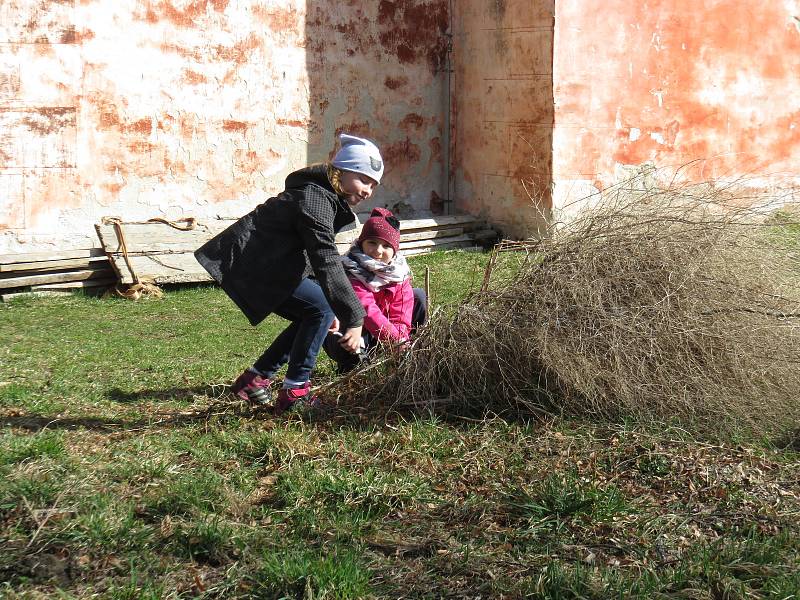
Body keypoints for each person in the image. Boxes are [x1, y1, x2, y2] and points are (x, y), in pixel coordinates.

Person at [194, 133, 383, 414]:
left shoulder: (323, 196)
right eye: (364, 180)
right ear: (341, 171)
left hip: (268, 266)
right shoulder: (314, 199)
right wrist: (354, 317)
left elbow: (312, 255)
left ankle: (255, 379)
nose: (368, 191)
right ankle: (295, 392)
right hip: (254, 266)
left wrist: (334, 308)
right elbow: (325, 258)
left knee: (315, 311)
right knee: (318, 308)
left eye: (373, 185)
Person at [323, 207, 427, 374]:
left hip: (383, 334)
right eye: (372, 242)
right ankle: (350, 367)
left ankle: (411, 358)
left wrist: (400, 343)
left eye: (386, 246)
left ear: (394, 250)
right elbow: (367, 310)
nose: (378, 251)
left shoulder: (398, 275)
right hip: (353, 331)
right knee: (346, 338)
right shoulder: (351, 270)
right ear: (361, 242)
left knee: (418, 296)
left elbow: (401, 317)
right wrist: (396, 341)